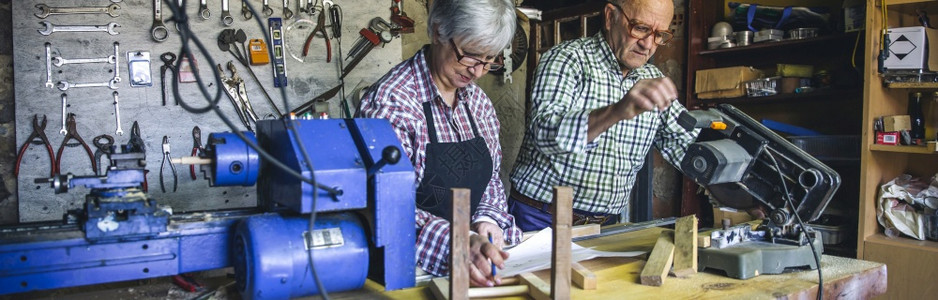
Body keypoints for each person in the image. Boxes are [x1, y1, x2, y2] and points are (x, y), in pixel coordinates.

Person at [356, 0, 519, 287]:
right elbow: (384, 207)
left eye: (489, 59)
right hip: (403, 273)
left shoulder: (478, 102)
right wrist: (459, 242)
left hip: (470, 267)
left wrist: (488, 221)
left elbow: (491, 179)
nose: (478, 72)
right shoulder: (391, 103)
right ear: (438, 31)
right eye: (470, 56)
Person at [508, 0, 699, 231]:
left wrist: (741, 190)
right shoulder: (567, 59)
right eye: (640, 28)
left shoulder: (652, 77)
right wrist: (617, 111)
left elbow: (686, 146)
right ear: (610, 17)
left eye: (659, 35)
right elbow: (545, 133)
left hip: (605, 226)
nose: (648, 44)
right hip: (540, 217)